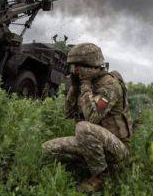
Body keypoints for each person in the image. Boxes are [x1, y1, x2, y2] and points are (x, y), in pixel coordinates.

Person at [42, 43, 133, 193]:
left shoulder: (110, 85)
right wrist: (75, 87)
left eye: (77, 67)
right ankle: (89, 162)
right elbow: (67, 113)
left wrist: (85, 84)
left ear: (90, 66)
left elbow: (91, 118)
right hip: (93, 143)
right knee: (48, 149)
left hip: (117, 149)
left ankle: (102, 175)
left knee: (83, 127)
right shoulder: (86, 84)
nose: (75, 71)